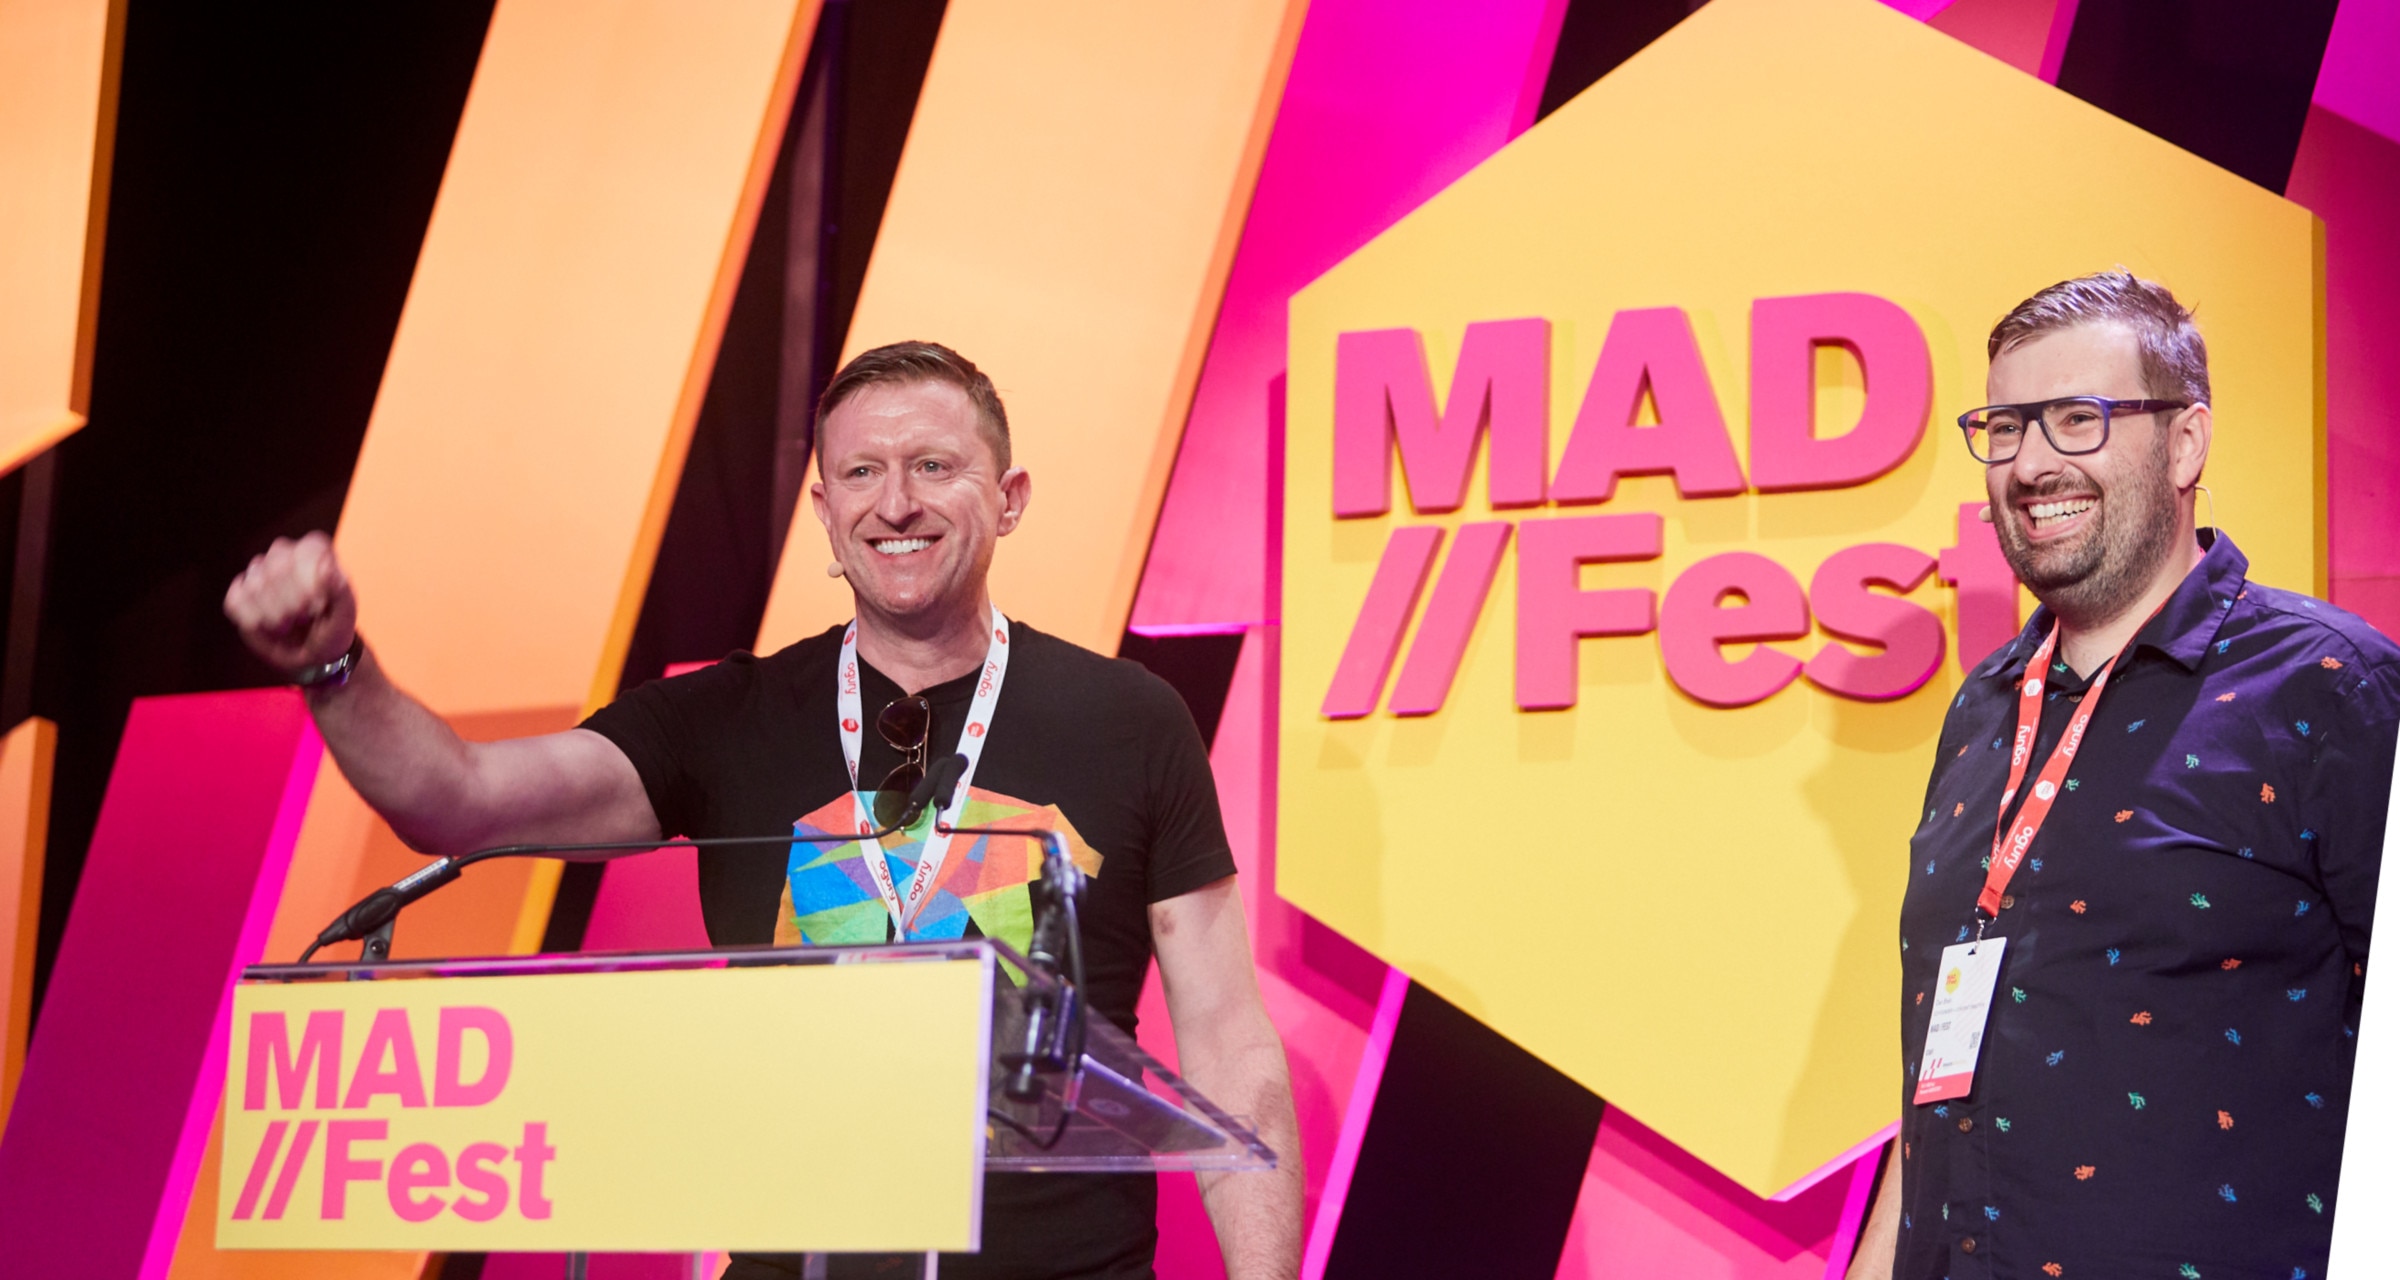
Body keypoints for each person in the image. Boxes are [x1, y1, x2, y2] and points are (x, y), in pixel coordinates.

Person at [225, 341, 1303, 1280]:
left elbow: (1225, 1036)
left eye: (935, 466)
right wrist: (334, 666)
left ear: (1010, 496)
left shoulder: (1129, 716)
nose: (897, 503)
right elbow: (453, 797)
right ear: (823, 509)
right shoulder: (725, 716)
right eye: (862, 473)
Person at [1846, 272, 2396, 1279]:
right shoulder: (1983, 707)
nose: (2031, 462)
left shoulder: (2332, 687)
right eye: (2005, 427)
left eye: (2076, 418)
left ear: (2186, 441)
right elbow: (1940, 1075)